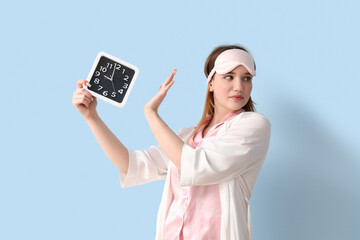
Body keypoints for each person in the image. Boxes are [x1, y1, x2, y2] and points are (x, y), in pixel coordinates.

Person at [72, 44, 271, 240]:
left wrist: (151, 114)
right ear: (211, 83)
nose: (239, 87)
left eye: (247, 79)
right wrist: (92, 117)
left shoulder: (254, 126)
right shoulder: (186, 138)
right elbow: (131, 164)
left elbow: (198, 166)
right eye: (229, 76)